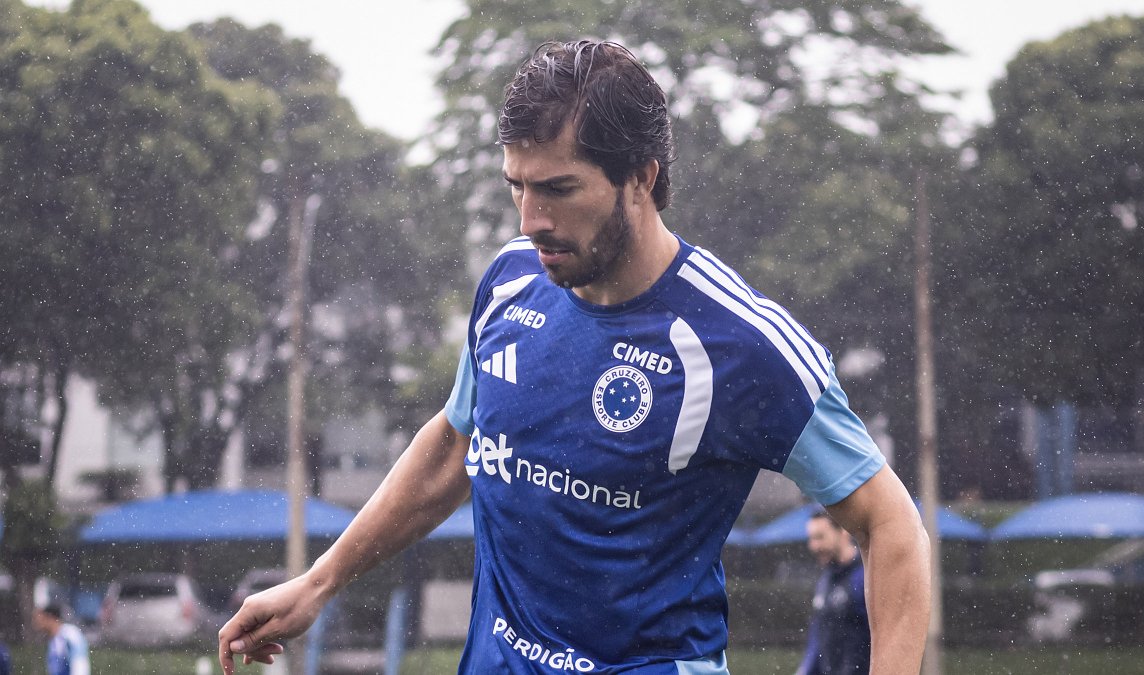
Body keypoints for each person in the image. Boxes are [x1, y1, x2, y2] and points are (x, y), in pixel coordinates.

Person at [219, 39, 930, 674]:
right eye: (517, 187)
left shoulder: (743, 345)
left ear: (641, 178)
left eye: (558, 188)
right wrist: (317, 582)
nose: (531, 220)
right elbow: (455, 445)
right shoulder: (508, 282)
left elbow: (890, 521)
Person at [798, 510, 870, 675]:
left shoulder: (864, 577)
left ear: (843, 531)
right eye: (811, 539)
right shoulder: (826, 579)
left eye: (820, 537)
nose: (813, 546)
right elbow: (818, 637)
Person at [32, 602, 90, 675]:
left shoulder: (70, 635)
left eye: (40, 617)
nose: (36, 621)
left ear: (50, 617)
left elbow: (80, 664)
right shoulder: (53, 640)